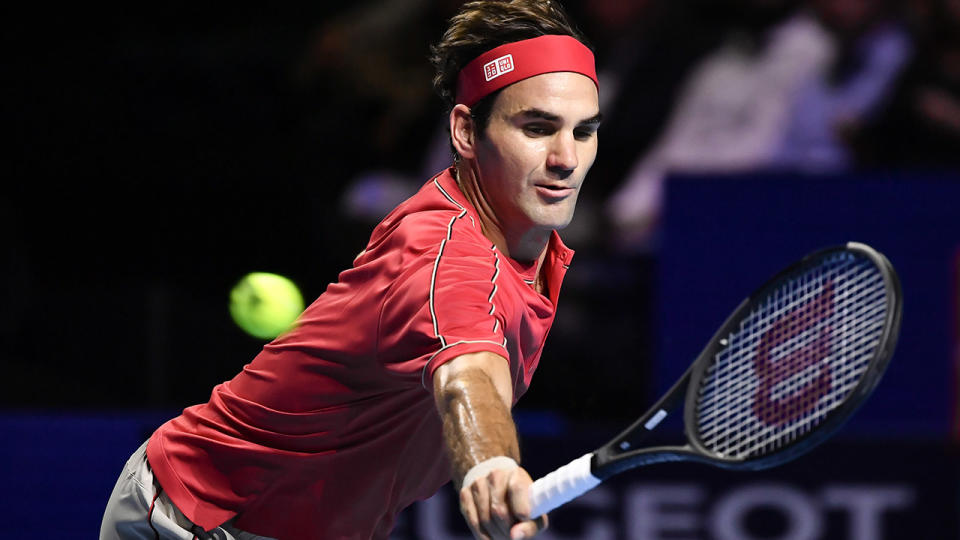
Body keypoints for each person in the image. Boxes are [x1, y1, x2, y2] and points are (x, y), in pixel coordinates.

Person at [100, 0, 601, 538]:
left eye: (583, 131)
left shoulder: (529, 249)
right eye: (537, 128)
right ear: (465, 132)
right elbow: (468, 376)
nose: (566, 158)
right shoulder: (444, 255)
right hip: (203, 518)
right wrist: (491, 462)